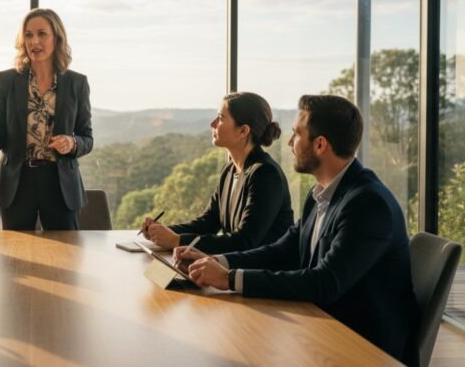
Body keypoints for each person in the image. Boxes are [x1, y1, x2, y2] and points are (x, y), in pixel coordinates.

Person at [176, 95, 418, 363]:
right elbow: (283, 250)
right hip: (321, 329)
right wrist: (215, 262)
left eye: (296, 134)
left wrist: (230, 279)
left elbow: (324, 283)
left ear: (320, 145)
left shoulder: (368, 204)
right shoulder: (321, 194)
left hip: (363, 350)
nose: (289, 142)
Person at [0, 8, 93, 230]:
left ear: (56, 38)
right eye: (28, 34)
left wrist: (72, 143)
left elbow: (87, 138)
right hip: (16, 184)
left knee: (65, 257)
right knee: (12, 257)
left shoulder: (77, 83)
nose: (34, 41)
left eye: (41, 34)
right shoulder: (7, 80)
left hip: (60, 185)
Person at [141, 92, 294, 252]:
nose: (212, 124)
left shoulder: (266, 175)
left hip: (261, 272)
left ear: (243, 131)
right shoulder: (230, 169)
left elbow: (243, 242)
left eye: (220, 118)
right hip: (236, 268)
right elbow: (208, 223)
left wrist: (176, 240)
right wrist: (161, 232)